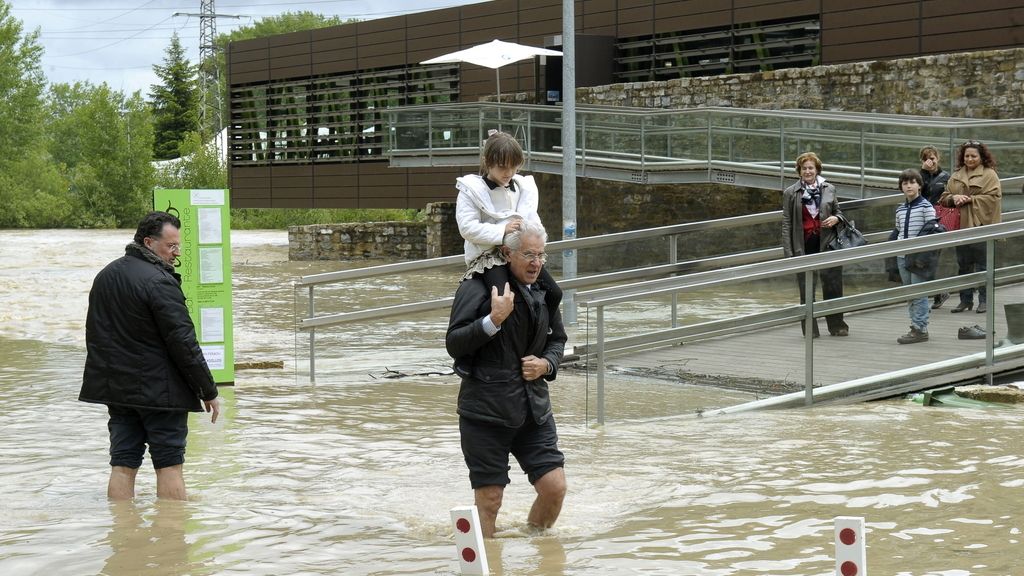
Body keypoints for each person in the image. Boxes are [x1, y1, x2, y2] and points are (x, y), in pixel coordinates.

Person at [80, 211, 221, 500]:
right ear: (148, 242)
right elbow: (183, 342)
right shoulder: (160, 281)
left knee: (122, 463)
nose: (176, 253)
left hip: (118, 391)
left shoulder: (105, 275)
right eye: (171, 246)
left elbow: (94, 333)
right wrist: (207, 390)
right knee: (169, 465)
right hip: (161, 393)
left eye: (178, 245)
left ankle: (122, 526)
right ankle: (171, 528)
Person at [445, 220, 568, 538]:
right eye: (529, 254)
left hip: (534, 411)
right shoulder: (475, 287)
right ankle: (489, 558)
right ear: (506, 253)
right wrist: (493, 319)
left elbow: (557, 340)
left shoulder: (543, 291)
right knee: (490, 500)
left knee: (554, 488)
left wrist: (546, 364)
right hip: (485, 414)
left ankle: (537, 549)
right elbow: (454, 343)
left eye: (541, 255)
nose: (536, 263)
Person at [455, 130, 561, 307]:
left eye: (514, 167)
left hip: (521, 253)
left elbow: (533, 219)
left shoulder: (523, 187)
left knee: (555, 294)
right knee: (504, 298)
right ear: (487, 162)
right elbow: (467, 228)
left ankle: (546, 326)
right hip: (489, 256)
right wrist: (502, 231)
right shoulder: (470, 190)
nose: (509, 172)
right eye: (503, 167)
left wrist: (535, 243)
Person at [780, 151, 850, 337]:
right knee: (807, 289)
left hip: (828, 243)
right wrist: (789, 254)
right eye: (804, 168)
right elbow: (786, 223)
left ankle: (837, 325)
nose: (808, 171)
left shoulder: (829, 188)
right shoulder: (790, 192)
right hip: (803, 245)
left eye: (811, 168)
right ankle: (810, 330)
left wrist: (836, 218)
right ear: (799, 171)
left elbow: (839, 212)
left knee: (833, 285)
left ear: (817, 169)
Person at [938, 140, 1002, 314]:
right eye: (967, 156)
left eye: (974, 156)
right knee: (964, 265)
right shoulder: (956, 175)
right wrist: (953, 198)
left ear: (981, 157)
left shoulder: (989, 175)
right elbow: (944, 197)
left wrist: (970, 199)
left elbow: (994, 198)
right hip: (961, 228)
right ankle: (965, 300)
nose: (970, 159)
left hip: (981, 227)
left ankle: (984, 301)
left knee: (983, 266)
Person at [891, 170, 937, 344]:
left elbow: (932, 229)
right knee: (909, 293)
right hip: (902, 256)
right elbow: (898, 230)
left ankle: (920, 328)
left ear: (919, 185)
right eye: (905, 183)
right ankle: (914, 325)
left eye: (912, 182)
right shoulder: (900, 209)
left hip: (919, 256)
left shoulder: (926, 207)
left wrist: (923, 255)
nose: (909, 186)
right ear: (901, 187)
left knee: (919, 292)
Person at [919, 145, 952, 310]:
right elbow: (918, 194)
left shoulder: (946, 177)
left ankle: (935, 293)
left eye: (932, 158)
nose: (930, 162)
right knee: (923, 260)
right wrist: (923, 172)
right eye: (926, 159)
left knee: (931, 259)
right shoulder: (919, 176)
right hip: (922, 221)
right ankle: (937, 293)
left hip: (939, 222)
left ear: (938, 158)